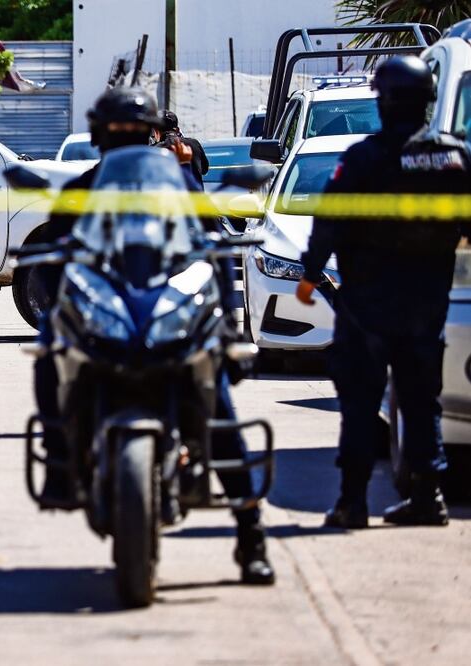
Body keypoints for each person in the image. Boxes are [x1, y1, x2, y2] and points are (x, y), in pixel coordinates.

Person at [33, 87, 275, 585]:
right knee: (48, 354)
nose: (125, 140)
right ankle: (61, 461)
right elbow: (52, 253)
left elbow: (214, 249)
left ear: (152, 134)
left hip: (166, 304)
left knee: (219, 404)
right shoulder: (82, 189)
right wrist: (59, 295)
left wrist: (228, 323)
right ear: (101, 135)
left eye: (133, 131)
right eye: (117, 131)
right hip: (110, 309)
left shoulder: (181, 185)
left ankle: (251, 530)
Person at [297, 55, 471, 529]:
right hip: (427, 305)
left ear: (384, 100)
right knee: (421, 402)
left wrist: (310, 276)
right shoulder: (455, 157)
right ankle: (428, 497)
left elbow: (328, 222)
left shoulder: (364, 159)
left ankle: (352, 503)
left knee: (359, 405)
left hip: (367, 309)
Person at [154, 110, 209, 188]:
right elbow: (204, 170)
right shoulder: (194, 143)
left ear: (156, 131)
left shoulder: (154, 150)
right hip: (196, 198)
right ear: (177, 129)